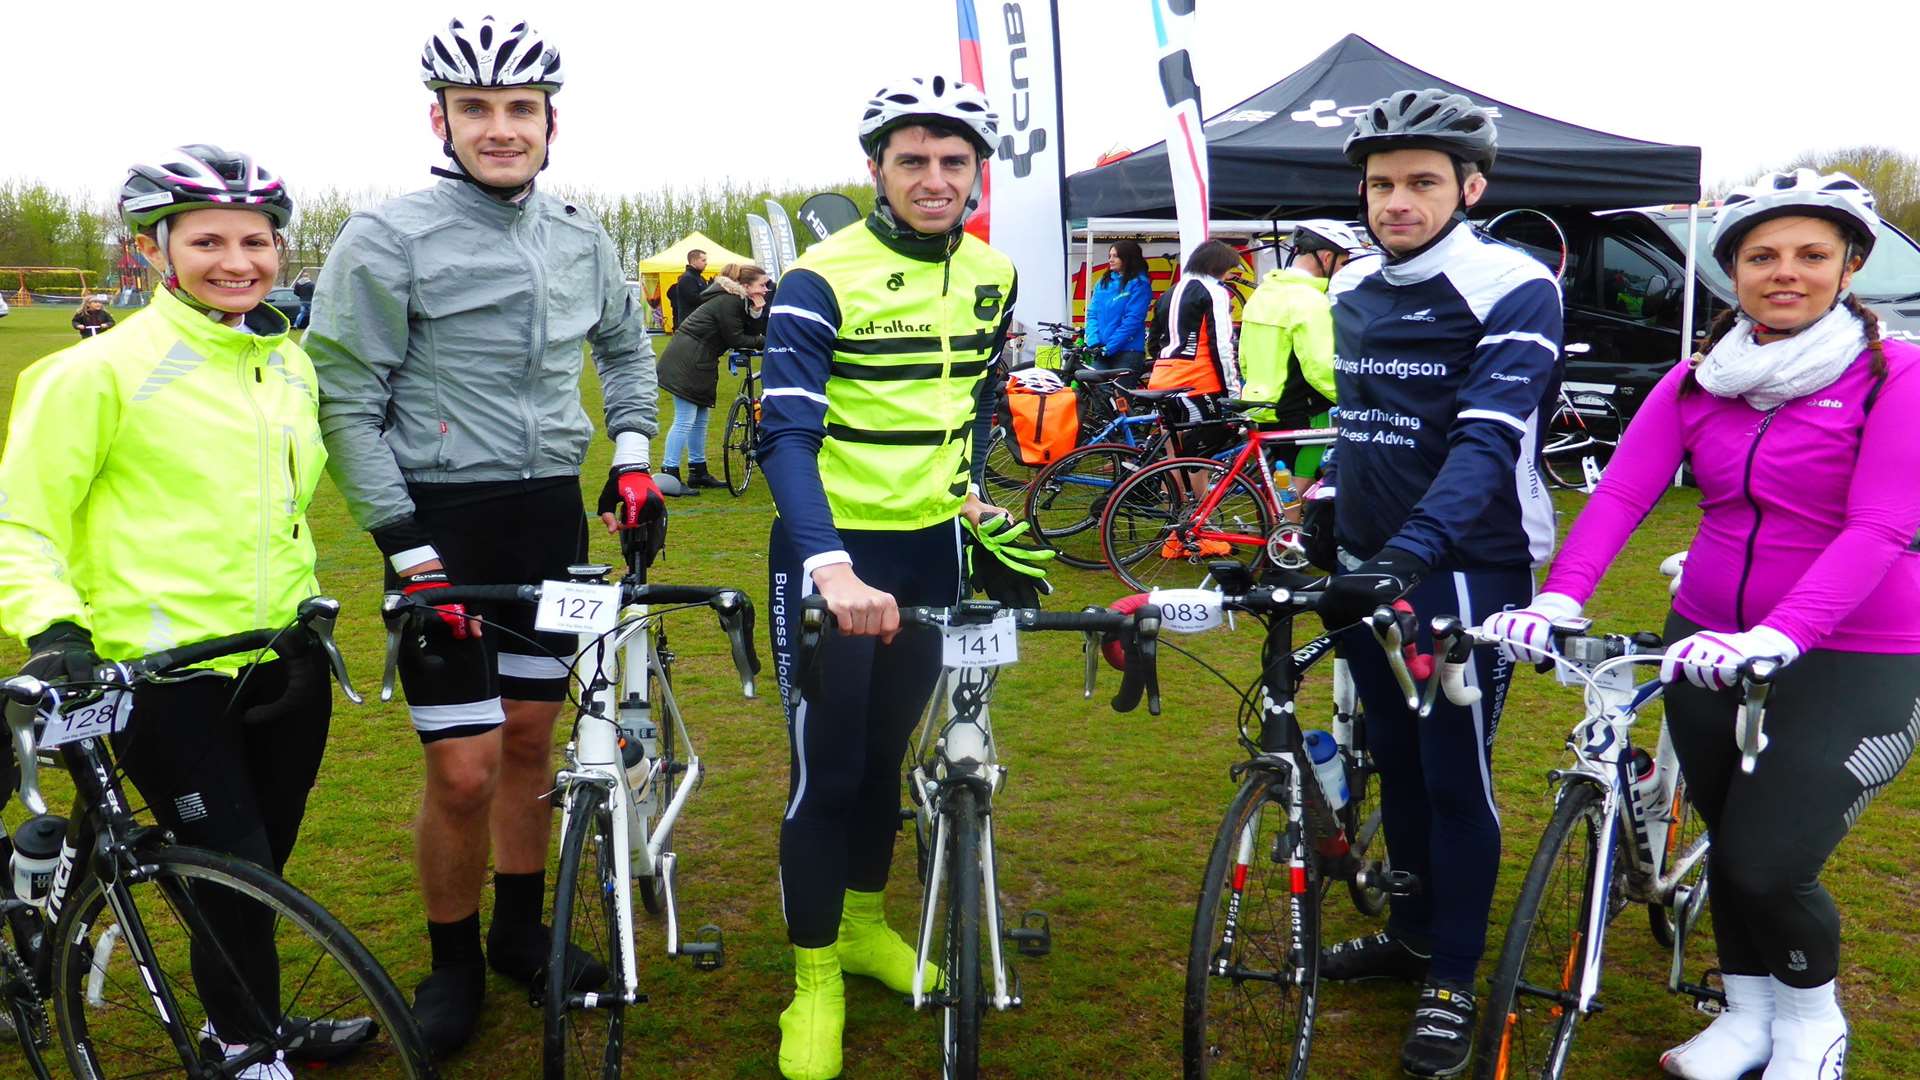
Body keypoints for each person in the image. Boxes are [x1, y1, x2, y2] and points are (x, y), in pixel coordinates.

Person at [1487, 170, 1917, 1080]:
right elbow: (1623, 495)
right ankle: (1747, 1011)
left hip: (1855, 650)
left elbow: (1880, 524)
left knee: (1769, 862)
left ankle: (1811, 1024)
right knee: (1727, 839)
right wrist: (1559, 596)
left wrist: (1783, 632)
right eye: (1762, 255)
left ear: (1851, 267)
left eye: (1812, 254)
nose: (1786, 272)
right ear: (1731, 274)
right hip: (1705, 641)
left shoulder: (1896, 373)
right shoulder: (1698, 381)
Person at [305, 16, 662, 1058]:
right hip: (442, 525)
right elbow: (345, 400)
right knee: (459, 769)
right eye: (477, 110)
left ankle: (518, 932)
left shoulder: (582, 233)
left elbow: (627, 355)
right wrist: (409, 549)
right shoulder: (387, 236)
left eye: (520, 110)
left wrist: (632, 459)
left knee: (528, 743)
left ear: (552, 122)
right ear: (441, 118)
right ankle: (451, 959)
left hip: (549, 514)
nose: (500, 129)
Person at [0, 145, 371, 1078]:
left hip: (278, 658)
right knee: (236, 877)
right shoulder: (97, 373)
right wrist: (55, 627)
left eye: (256, 240)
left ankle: (233, 1016)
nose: (236, 260)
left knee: (257, 875)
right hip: (158, 675)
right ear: (157, 250)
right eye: (207, 240)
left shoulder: (287, 365)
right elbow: (20, 518)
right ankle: (249, 1049)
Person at [758, 74, 1026, 1080]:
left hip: (928, 548)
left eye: (953, 162)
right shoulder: (822, 276)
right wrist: (828, 563)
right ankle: (813, 977)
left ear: (976, 175)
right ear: (876, 168)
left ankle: (866, 926)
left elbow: (974, 400)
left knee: (886, 757)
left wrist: (966, 493)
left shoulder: (993, 274)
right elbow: (786, 437)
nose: (933, 177)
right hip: (832, 554)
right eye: (911, 160)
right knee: (826, 768)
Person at [1309, 88, 1562, 1079]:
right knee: (1394, 761)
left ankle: (1453, 976)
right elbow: (1358, 424)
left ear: (1471, 185)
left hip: (1469, 566)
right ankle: (1412, 932)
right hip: (1374, 562)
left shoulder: (1512, 281)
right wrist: (1322, 514)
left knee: (1455, 773)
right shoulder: (1352, 288)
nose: (1397, 202)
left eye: (1421, 182)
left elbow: (1484, 442)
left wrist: (1409, 551)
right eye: (1381, 184)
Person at [1238, 220, 1371, 483]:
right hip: (1303, 407)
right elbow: (1320, 367)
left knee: (1280, 477)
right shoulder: (1309, 300)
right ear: (1327, 256)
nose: (1342, 270)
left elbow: (1244, 355)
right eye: (1344, 263)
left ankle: (1280, 522)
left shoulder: (1263, 293)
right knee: (1300, 476)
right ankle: (1288, 525)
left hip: (1263, 402)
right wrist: (1355, 399)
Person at [655, 263, 770, 494]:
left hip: (699, 360)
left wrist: (757, 312)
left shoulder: (735, 300)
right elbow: (737, 338)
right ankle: (669, 474)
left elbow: (749, 330)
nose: (766, 289)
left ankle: (698, 471)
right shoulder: (729, 301)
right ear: (745, 286)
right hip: (688, 361)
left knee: (700, 419)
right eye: (762, 285)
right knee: (685, 419)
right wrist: (767, 342)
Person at [1145, 238, 1244, 458]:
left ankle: (1170, 493)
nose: (1230, 276)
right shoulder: (1214, 291)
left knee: (1173, 456)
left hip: (1162, 377)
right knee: (1198, 458)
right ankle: (1201, 495)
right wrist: (1232, 391)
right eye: (1229, 269)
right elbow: (1221, 345)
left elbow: (1153, 341)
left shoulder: (1170, 292)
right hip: (1197, 381)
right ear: (1217, 266)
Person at [1083, 239, 1152, 375]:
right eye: (1109, 256)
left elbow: (1132, 320)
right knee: (1096, 394)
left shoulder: (1139, 284)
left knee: (1120, 396)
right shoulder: (1103, 282)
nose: (1110, 260)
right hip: (1101, 351)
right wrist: (1094, 342)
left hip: (1127, 352)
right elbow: (1092, 314)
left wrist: (1110, 347)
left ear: (1128, 258)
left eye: (1115, 256)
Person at [669, 248, 708, 329]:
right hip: (690, 323)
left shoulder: (700, 278)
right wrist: (711, 295)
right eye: (703, 260)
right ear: (693, 261)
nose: (706, 263)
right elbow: (694, 299)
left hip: (699, 321)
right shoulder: (687, 278)